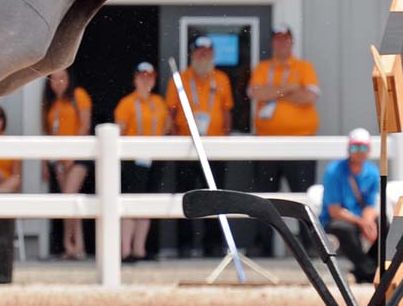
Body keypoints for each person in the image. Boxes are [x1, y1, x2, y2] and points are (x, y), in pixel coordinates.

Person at [249, 23, 320, 255]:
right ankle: (263, 246)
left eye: (285, 39)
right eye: (277, 39)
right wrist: (287, 90)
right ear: (273, 42)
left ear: (292, 42)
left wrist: (275, 92)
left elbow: (308, 96)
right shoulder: (262, 68)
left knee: (302, 196)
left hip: (300, 143)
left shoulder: (303, 67)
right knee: (264, 197)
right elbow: (256, 93)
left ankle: (309, 246)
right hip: (266, 143)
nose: (281, 43)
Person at [166, 35, 234, 257]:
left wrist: (223, 139)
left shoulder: (222, 79)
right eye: (199, 52)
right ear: (192, 54)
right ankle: (185, 245)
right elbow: (171, 113)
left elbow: (227, 113)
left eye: (207, 52)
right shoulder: (180, 79)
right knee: (187, 196)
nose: (203, 56)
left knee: (214, 196)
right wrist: (177, 141)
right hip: (186, 148)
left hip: (214, 147)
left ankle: (212, 244)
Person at [114, 61, 170, 263]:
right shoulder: (126, 103)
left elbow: (166, 126)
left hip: (153, 159)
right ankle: (125, 250)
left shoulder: (159, 102)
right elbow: (119, 131)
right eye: (142, 77)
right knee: (130, 203)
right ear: (135, 79)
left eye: (149, 77)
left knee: (147, 204)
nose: (145, 81)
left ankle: (140, 249)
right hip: (132, 160)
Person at [42, 68, 93, 259]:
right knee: (69, 202)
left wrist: (72, 153)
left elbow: (84, 126)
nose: (58, 83)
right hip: (60, 159)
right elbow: (49, 134)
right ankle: (75, 246)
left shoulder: (79, 95)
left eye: (61, 78)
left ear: (69, 78)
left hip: (78, 156)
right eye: (53, 79)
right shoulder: (51, 104)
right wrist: (46, 162)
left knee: (69, 196)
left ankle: (71, 245)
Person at [320, 128, 380, 283]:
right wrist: (363, 222)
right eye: (355, 147)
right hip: (338, 220)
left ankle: (366, 270)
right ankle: (370, 271)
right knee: (343, 228)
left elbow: (370, 204)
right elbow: (334, 211)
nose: (359, 152)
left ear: (369, 150)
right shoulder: (334, 171)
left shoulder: (372, 172)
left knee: (384, 224)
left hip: (358, 217)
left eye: (363, 147)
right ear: (348, 149)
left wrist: (368, 222)